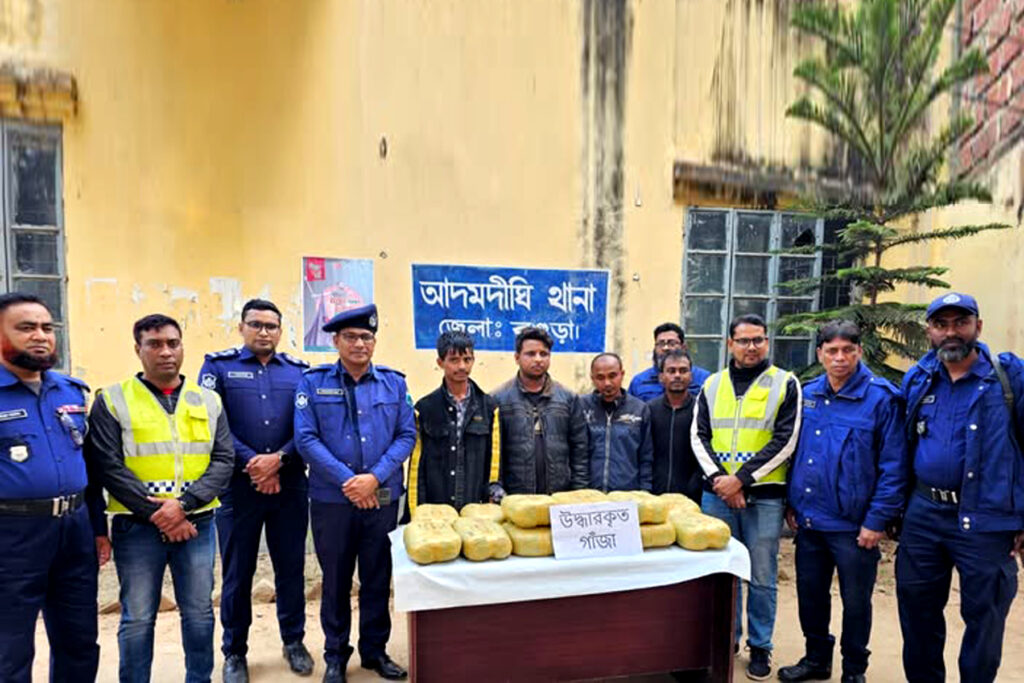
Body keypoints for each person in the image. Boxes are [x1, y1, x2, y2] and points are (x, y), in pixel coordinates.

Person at [86, 313, 234, 683]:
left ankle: (199, 679)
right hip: (137, 527)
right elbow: (107, 465)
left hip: (197, 524)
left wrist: (183, 506)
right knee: (137, 617)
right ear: (138, 349)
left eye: (173, 343)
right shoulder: (113, 399)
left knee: (199, 613)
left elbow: (223, 460)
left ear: (182, 346)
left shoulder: (209, 400)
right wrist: (161, 515)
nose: (165, 352)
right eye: (154, 344)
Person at [896, 293, 1024, 683]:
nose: (951, 332)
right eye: (941, 324)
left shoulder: (1010, 380)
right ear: (929, 331)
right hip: (924, 515)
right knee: (917, 613)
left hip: (989, 518)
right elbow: (902, 446)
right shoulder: (918, 379)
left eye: (960, 323)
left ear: (978, 327)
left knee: (985, 617)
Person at [778, 321, 905, 683]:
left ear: (859, 351)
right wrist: (791, 502)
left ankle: (854, 670)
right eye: (831, 351)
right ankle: (817, 659)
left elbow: (894, 467)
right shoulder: (808, 394)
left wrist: (876, 521)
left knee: (856, 602)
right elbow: (793, 452)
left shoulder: (881, 399)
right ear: (819, 353)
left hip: (855, 528)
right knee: (811, 597)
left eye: (848, 350)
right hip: (810, 521)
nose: (840, 358)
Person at [294, 304, 415, 683]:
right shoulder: (312, 383)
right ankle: (335, 656)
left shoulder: (394, 384)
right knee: (335, 580)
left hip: (381, 498)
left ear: (374, 342)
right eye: (351, 337)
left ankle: (375, 651)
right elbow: (306, 438)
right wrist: (351, 481)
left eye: (366, 337)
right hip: (332, 501)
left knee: (377, 577)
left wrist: (373, 478)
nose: (359, 343)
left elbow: (406, 436)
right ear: (336, 341)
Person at [198, 299, 313, 682]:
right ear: (241, 327)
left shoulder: (300, 372)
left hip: (289, 484)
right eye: (256, 324)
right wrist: (256, 464)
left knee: (291, 568)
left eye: (271, 326)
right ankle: (234, 651)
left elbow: (308, 426)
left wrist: (278, 460)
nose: (264, 331)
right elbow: (213, 425)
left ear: (280, 331)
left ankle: (293, 641)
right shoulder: (217, 367)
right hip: (237, 487)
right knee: (237, 572)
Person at [691, 313, 801, 680]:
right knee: (722, 573)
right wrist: (721, 481)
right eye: (743, 340)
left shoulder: (785, 383)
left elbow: (785, 440)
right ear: (730, 344)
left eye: (758, 340)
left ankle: (760, 645)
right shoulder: (712, 385)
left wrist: (740, 480)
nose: (751, 347)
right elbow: (698, 436)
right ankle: (726, 640)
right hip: (717, 495)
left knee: (762, 574)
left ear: (767, 342)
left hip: (764, 497)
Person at [0, 292, 101, 683]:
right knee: (10, 648)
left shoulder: (70, 392)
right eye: (26, 328)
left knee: (79, 640)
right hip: (13, 534)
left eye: (47, 327)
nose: (40, 336)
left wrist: (97, 529)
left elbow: (88, 465)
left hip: (74, 529)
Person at [406, 330, 501, 516]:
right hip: (436, 512)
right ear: (440, 362)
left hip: (475, 511)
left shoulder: (489, 407)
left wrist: (492, 500)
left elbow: (494, 464)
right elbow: (416, 469)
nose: (462, 366)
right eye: (454, 360)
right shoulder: (425, 409)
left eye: (467, 359)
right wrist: (415, 513)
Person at [491, 326, 588, 494]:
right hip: (515, 498)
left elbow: (580, 450)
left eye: (544, 354)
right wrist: (495, 488)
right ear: (517, 358)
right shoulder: (498, 399)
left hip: (559, 497)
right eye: (530, 354)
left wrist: (578, 492)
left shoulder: (568, 399)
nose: (538, 359)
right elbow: (493, 453)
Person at [579, 352, 652, 492]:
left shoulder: (639, 409)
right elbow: (575, 454)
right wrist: (579, 489)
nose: (607, 383)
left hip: (627, 494)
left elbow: (646, 456)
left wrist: (645, 491)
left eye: (612, 376)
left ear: (622, 374)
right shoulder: (581, 407)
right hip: (589, 494)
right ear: (592, 378)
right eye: (600, 377)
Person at [648, 348, 700, 501]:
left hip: (693, 496)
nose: (677, 375)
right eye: (671, 371)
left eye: (683, 371)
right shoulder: (649, 410)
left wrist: (695, 484)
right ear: (661, 377)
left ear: (691, 376)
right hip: (655, 495)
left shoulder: (701, 410)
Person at [628, 322, 710, 401]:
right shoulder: (639, 381)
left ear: (683, 347)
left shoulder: (703, 379)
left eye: (672, 343)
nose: (665, 348)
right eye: (661, 344)